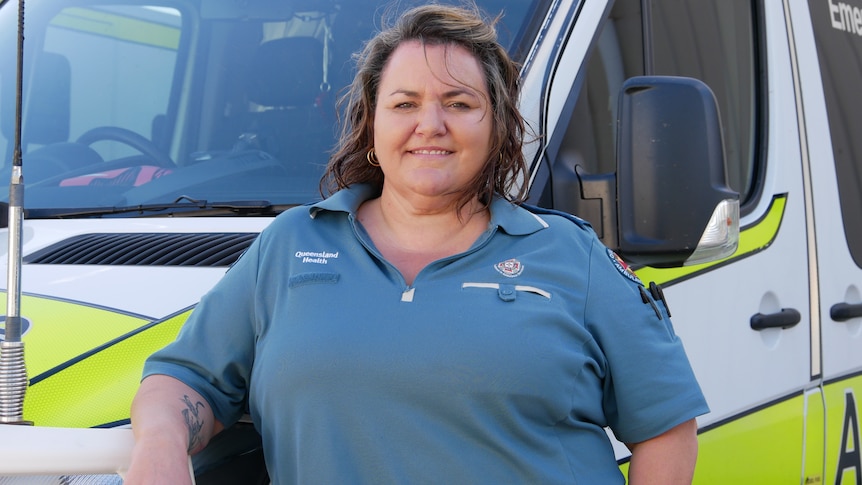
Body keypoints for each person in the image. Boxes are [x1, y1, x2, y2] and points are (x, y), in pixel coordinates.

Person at [125, 3, 708, 484]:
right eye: (404, 104)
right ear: (372, 127)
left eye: (459, 104)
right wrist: (159, 443)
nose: (431, 124)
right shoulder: (290, 245)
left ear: (497, 127)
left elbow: (665, 427)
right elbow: (187, 379)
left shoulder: (571, 256)